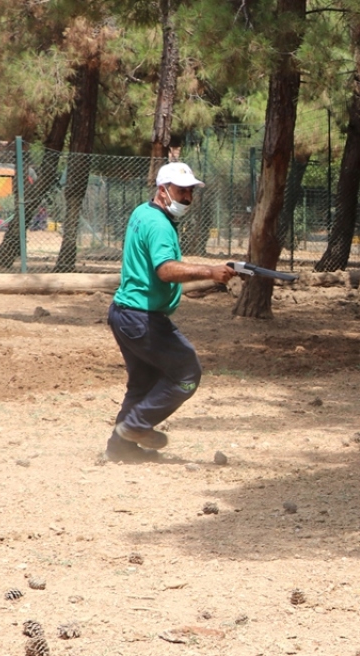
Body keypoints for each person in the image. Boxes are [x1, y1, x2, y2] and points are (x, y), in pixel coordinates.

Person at [104, 162, 237, 462]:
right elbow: (164, 270)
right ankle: (136, 426)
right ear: (162, 191)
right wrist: (210, 273)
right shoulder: (160, 225)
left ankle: (120, 448)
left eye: (190, 191)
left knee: (143, 383)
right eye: (181, 191)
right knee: (187, 372)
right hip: (142, 317)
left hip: (123, 313)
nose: (187, 197)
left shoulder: (143, 212)